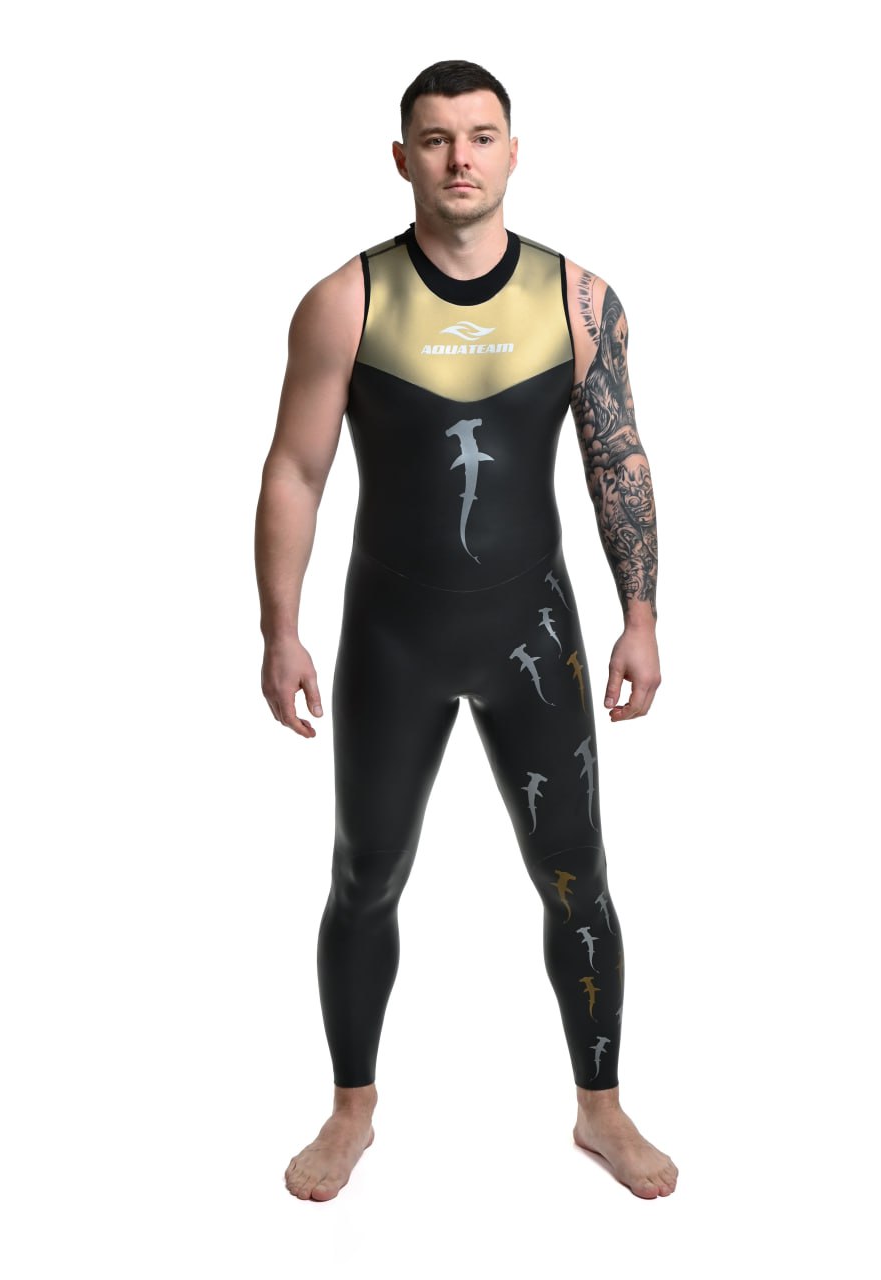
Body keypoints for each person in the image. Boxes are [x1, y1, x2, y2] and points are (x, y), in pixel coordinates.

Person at [255, 59, 678, 1202]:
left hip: (531, 631)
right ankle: (351, 1108)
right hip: (389, 639)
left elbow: (617, 461)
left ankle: (600, 1106)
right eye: (436, 139)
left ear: (511, 152)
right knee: (364, 873)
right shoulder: (346, 299)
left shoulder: (576, 299)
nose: (459, 159)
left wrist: (639, 616)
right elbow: (295, 470)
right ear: (403, 157)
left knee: (576, 876)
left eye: (480, 136)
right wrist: (280, 630)